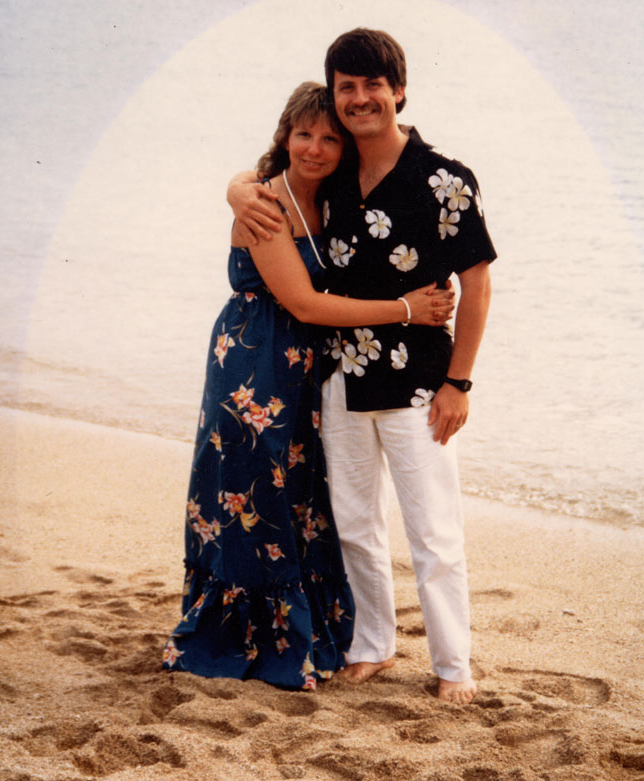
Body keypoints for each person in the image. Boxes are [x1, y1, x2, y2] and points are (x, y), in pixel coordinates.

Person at [228, 30, 496, 704]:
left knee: (432, 527)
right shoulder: (336, 173)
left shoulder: (445, 179)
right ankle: (374, 643)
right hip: (340, 379)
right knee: (355, 521)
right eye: (346, 87)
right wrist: (236, 188)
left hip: (417, 384)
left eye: (372, 85)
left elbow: (478, 286)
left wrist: (459, 382)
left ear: (398, 90)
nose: (358, 99)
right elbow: (270, 182)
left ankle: (454, 662)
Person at [162, 82, 454, 691]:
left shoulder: (338, 198)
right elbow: (304, 302)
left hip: (311, 371)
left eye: (328, 138)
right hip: (256, 365)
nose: (316, 148)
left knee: (304, 497)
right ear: (284, 136)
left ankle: (316, 629)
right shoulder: (266, 203)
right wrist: (406, 308)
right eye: (303, 135)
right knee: (257, 495)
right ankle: (249, 637)